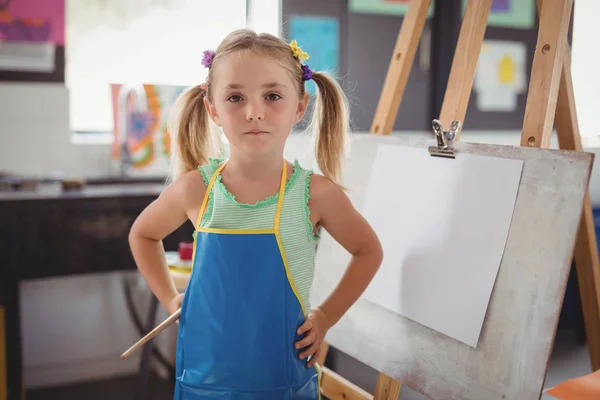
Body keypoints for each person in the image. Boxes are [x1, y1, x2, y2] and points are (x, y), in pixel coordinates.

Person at [128, 28, 383, 399]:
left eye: (272, 96)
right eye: (235, 97)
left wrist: (326, 317)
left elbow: (368, 251)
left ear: (299, 106)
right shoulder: (196, 189)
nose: (254, 112)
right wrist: (170, 298)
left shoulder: (316, 194)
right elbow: (143, 234)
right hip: (204, 384)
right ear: (212, 109)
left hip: (283, 383)